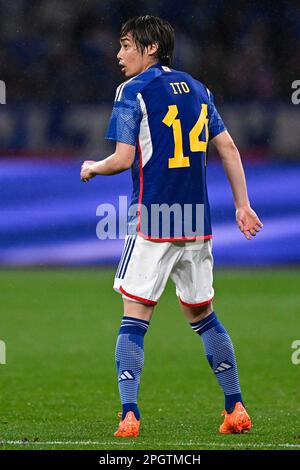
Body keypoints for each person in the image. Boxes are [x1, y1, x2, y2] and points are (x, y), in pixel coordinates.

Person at [80, 15, 263, 438]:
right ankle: (235, 407)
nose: (119, 54)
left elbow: (124, 159)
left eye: (126, 45)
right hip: (196, 224)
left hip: (154, 221)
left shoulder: (133, 91)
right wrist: (243, 205)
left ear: (150, 49)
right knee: (203, 316)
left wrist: (93, 167)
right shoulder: (200, 90)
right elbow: (230, 148)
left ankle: (129, 414)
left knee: (134, 317)